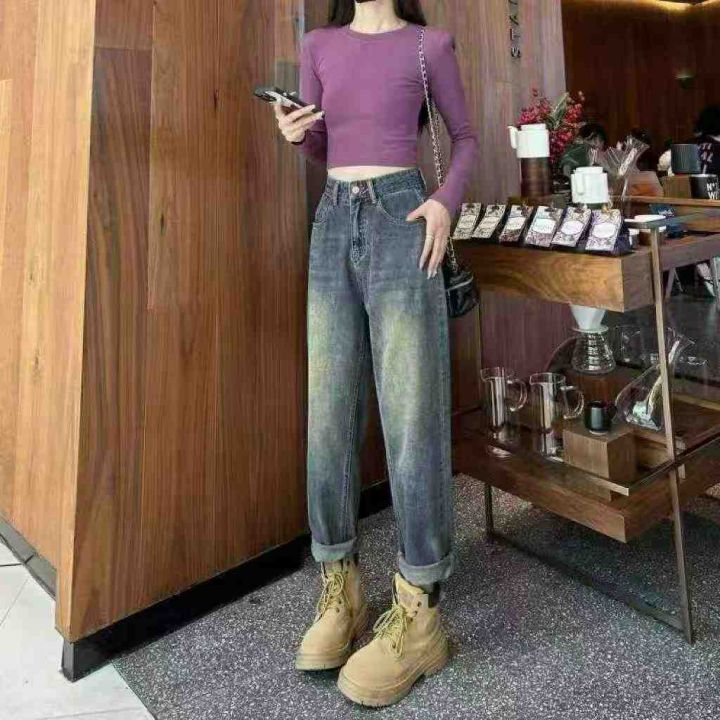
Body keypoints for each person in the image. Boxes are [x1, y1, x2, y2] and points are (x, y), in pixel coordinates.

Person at [271, 0, 477, 708]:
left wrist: (446, 201)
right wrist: (298, 134)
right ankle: (342, 588)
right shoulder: (319, 45)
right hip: (332, 219)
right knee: (328, 410)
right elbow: (326, 147)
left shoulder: (430, 44)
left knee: (411, 413)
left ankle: (421, 610)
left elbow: (466, 137)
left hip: (403, 217)